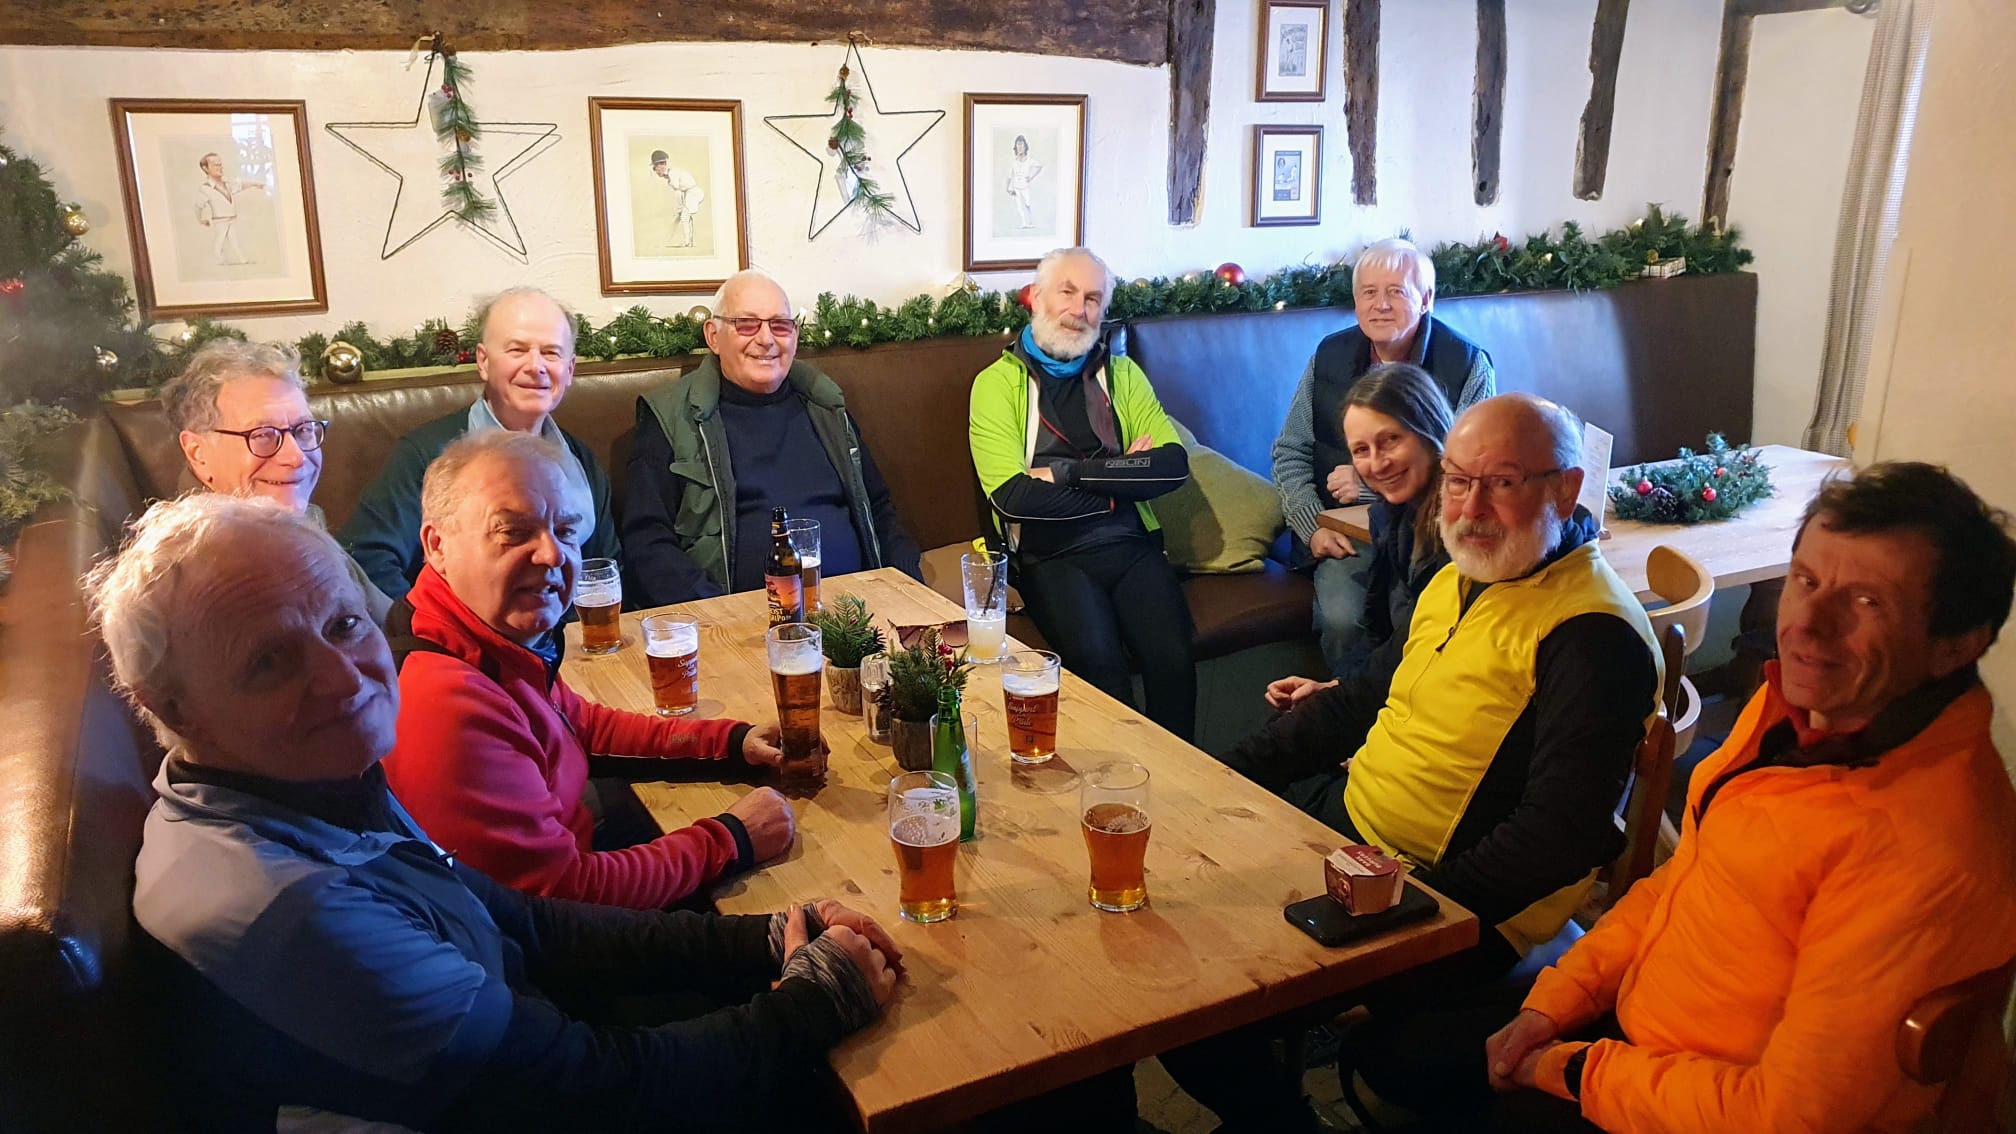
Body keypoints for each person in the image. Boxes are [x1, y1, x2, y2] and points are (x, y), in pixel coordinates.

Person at [99, 492, 899, 1131]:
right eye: (269, 662)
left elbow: (520, 920)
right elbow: (591, 1091)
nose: (345, 679)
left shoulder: (304, 778)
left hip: (522, 1046)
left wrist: (762, 936)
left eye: (344, 624)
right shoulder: (283, 907)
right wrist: (812, 1003)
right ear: (168, 705)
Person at [1351, 461, 2016, 1133]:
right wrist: (1554, 1004)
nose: (1808, 624)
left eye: (1868, 602)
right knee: (1393, 1055)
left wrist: (1572, 1071)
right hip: (1650, 1027)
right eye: (1807, 581)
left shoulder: (1922, 850)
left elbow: (1788, 1116)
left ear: (1957, 645)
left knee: (1410, 1066)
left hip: (1704, 1101)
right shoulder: (1804, 718)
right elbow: (1683, 881)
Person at [381, 431, 798, 911]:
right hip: (547, 940)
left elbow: (579, 726)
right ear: (437, 545)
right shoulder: (443, 702)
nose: (553, 554)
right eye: (513, 531)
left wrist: (730, 742)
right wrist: (732, 839)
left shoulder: (481, 636)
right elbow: (566, 896)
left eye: (565, 531)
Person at [969, 246, 1197, 741]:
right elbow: (1013, 497)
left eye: (1093, 298)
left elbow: (1171, 467)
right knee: (1102, 670)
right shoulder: (996, 385)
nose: (1079, 310)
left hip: (1130, 545)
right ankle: (1119, 777)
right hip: (1051, 556)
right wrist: (1120, 479)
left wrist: (1066, 474)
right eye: (1067, 292)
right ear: (1036, 298)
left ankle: (1184, 779)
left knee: (1174, 659)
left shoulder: (1123, 375)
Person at [622, 268, 921, 608]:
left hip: (855, 611)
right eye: (747, 324)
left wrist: (909, 590)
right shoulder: (669, 417)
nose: (766, 339)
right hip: (739, 620)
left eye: (780, 325)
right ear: (713, 336)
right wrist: (720, 614)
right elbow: (647, 541)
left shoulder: (826, 406)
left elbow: (878, 507)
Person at [1273, 237, 1497, 677]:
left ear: (1426, 299)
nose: (1380, 305)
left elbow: (1472, 472)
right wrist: (1311, 525)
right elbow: (1290, 451)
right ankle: (1351, 712)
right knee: (1343, 618)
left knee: (1427, 620)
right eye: (1369, 293)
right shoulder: (1328, 356)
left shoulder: (1467, 364)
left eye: (1396, 291)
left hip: (1433, 539)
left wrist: (1369, 485)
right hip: (1346, 537)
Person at [339, 286, 620, 603]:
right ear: (483, 361)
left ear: (569, 370)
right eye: (517, 350)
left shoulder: (581, 459)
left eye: (551, 352)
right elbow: (366, 559)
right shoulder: (426, 455)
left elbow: (608, 566)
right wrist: (427, 625)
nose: (536, 366)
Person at [161, 338, 392, 625]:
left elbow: (389, 624)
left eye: (303, 429)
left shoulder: (288, 526)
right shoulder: (207, 576)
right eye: (263, 435)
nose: (295, 457)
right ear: (199, 453)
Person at [1265, 362, 1454, 711]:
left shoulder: (1461, 530)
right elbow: (1384, 636)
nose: (1377, 463)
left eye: (1391, 440)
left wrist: (1344, 699)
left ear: (1430, 431)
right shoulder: (1389, 517)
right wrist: (1335, 685)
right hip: (1399, 693)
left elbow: (1428, 654)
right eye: (1361, 450)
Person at [193, 151, 263, 265]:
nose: (220, 167)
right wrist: (200, 220)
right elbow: (198, 206)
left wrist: (255, 184)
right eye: (215, 165)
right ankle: (219, 260)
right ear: (205, 168)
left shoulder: (226, 184)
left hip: (231, 219)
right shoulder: (205, 188)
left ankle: (243, 259)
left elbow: (240, 185)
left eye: (220, 164)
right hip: (220, 220)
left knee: (234, 240)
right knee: (219, 240)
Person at [650, 149, 704, 248]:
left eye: (655, 168)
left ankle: (688, 242)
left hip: (693, 193)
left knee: (684, 217)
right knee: (685, 217)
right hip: (688, 195)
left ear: (662, 166)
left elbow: (678, 193)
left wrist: (680, 209)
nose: (656, 171)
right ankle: (688, 242)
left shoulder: (673, 174)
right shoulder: (670, 176)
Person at [1006, 134, 1042, 229]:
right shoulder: (1014, 162)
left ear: (1025, 147)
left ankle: (1031, 222)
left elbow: (1039, 166)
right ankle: (1023, 223)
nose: (1020, 148)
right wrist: (1007, 188)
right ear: (1016, 147)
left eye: (1021, 145)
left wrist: (1031, 177)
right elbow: (1009, 176)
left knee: (1028, 203)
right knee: (1019, 207)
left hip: (1025, 187)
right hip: (1016, 188)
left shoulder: (1029, 161)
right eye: (1018, 145)